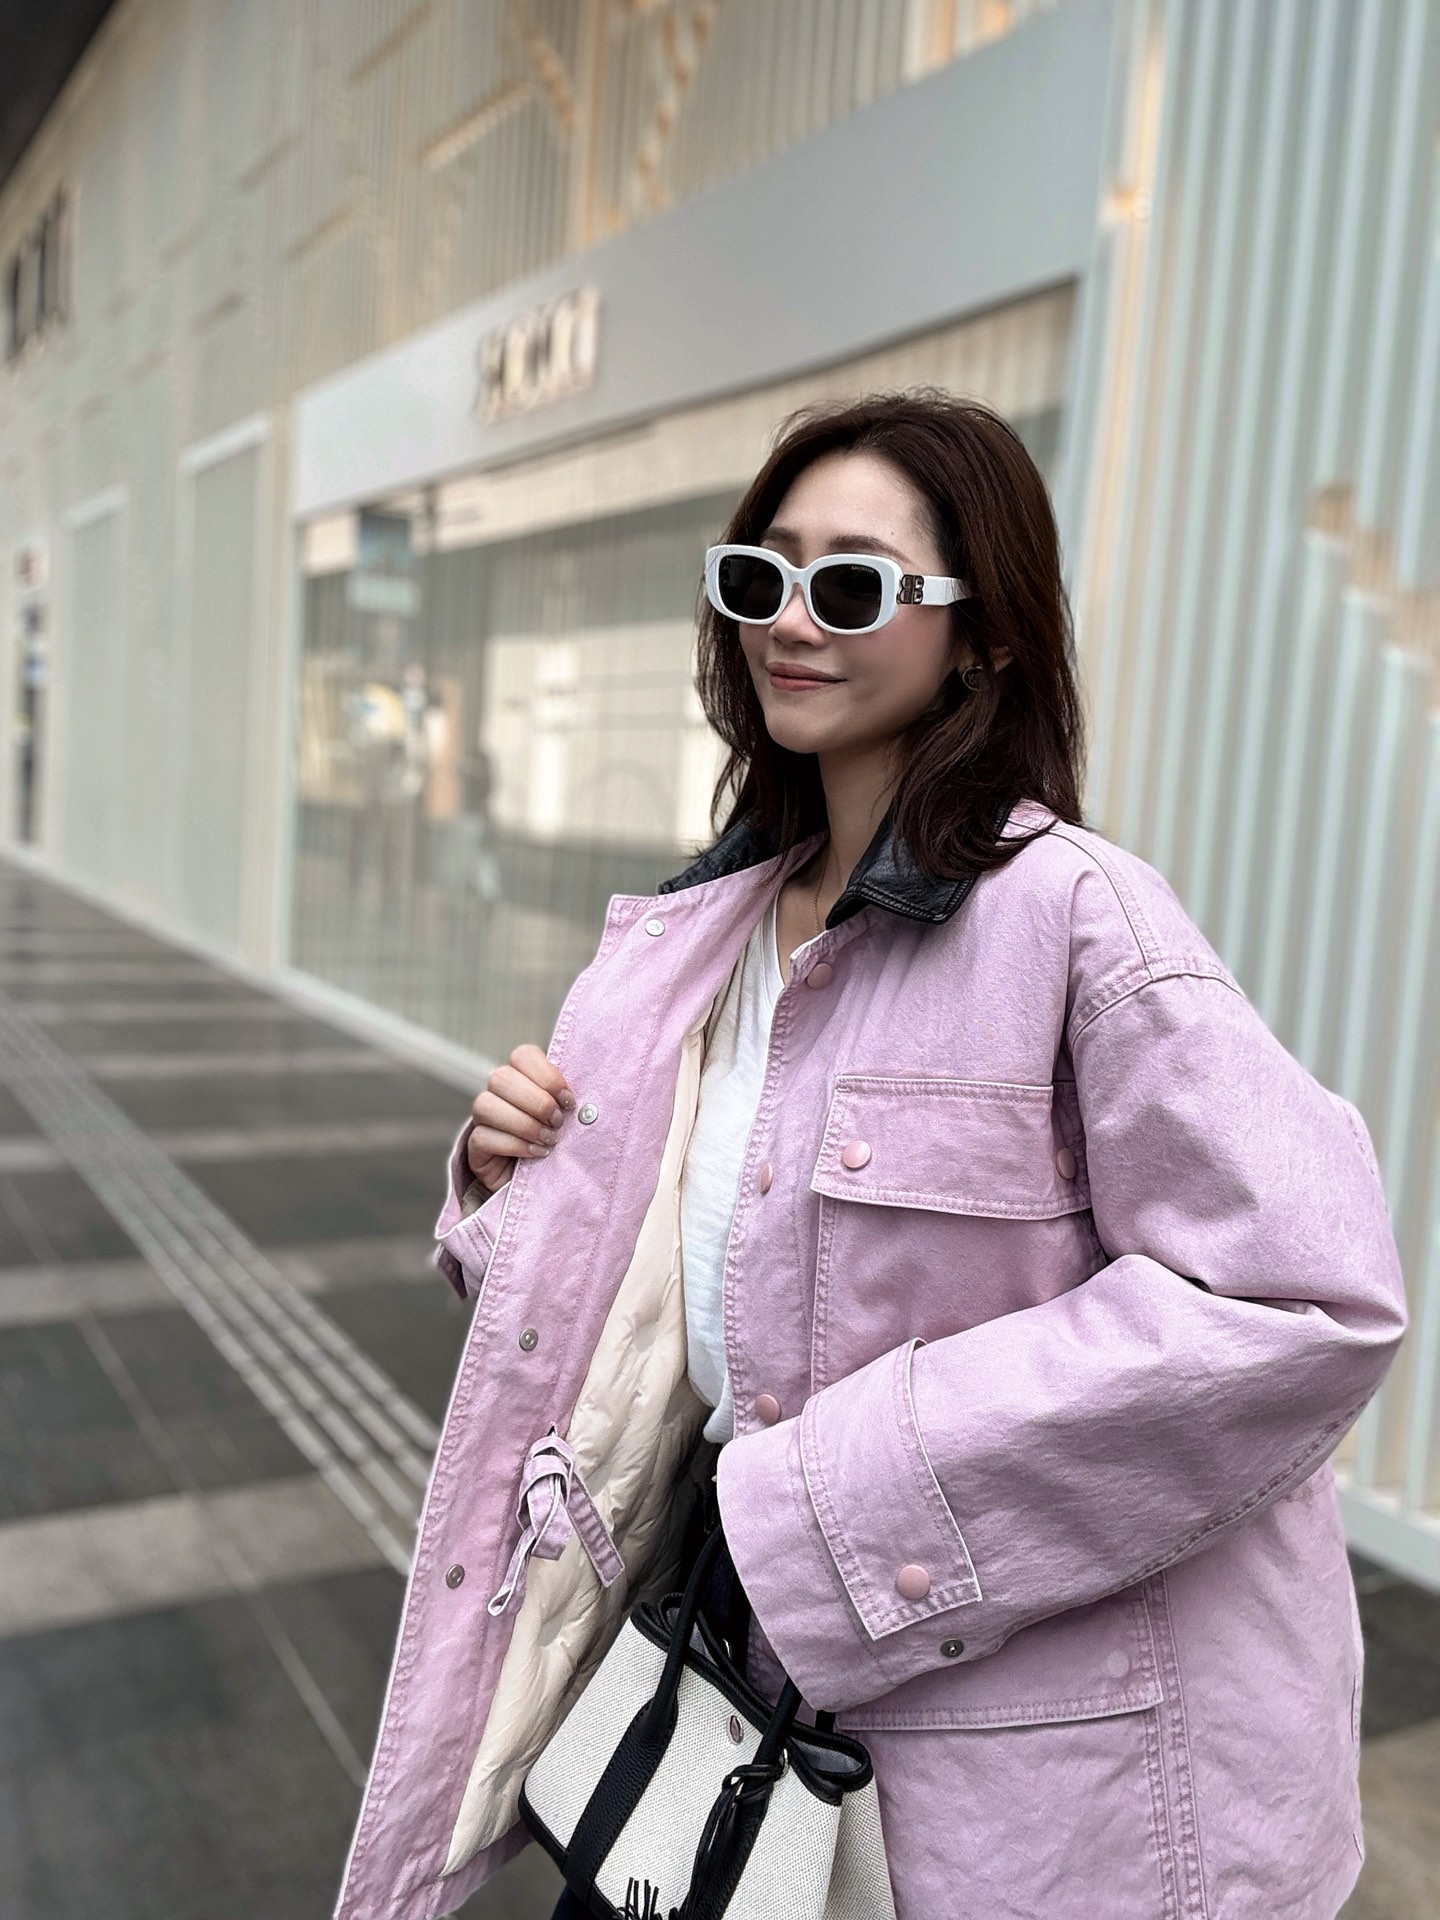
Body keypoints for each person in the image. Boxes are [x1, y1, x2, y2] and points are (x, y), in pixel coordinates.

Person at [331, 393, 1407, 1920]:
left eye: (851, 585)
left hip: (1033, 1786)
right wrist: (516, 1194)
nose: (791, 621)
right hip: (736, 1704)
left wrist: (832, 1508)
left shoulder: (1075, 918)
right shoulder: (694, 939)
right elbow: (694, 1309)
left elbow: (1303, 1297)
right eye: (761, 576)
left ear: (985, 638)